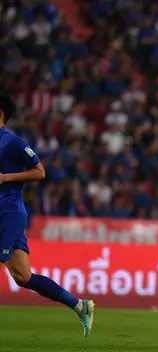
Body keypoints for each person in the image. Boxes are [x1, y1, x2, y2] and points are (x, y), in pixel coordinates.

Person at [0, 90, 96, 337]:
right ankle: (79, 305)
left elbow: (40, 171)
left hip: (8, 213)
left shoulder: (13, 143)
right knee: (23, 276)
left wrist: (6, 177)